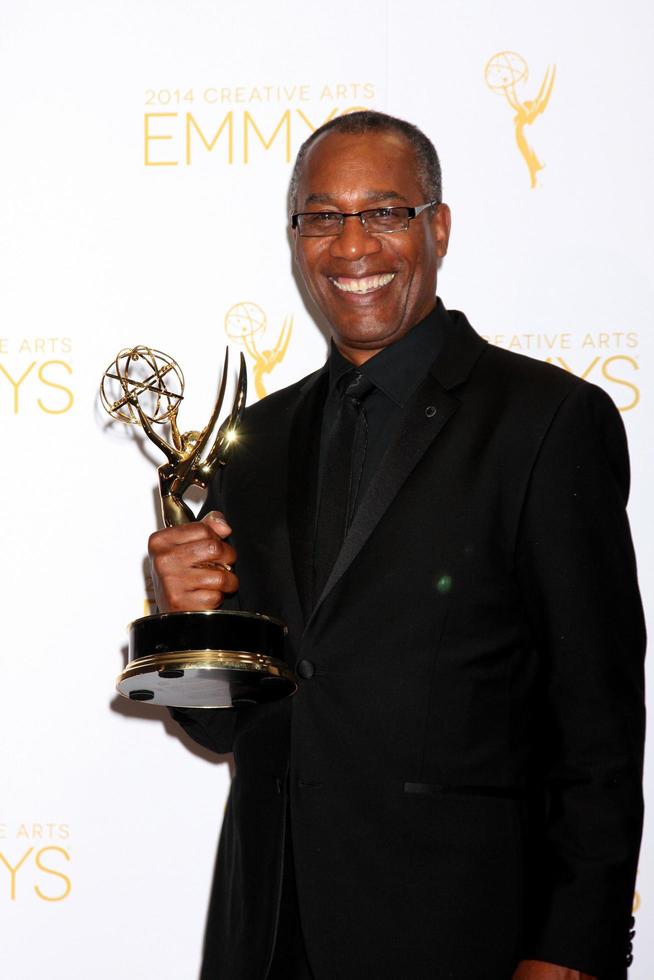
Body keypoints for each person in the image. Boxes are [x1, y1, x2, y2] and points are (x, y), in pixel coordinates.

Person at [147, 111, 645, 980]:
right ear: (295, 235)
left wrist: (572, 950)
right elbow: (226, 725)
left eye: (384, 212)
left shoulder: (545, 423)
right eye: (322, 216)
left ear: (437, 227)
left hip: (466, 936)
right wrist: (184, 621)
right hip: (269, 934)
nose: (352, 247)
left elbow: (598, 721)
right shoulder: (253, 444)